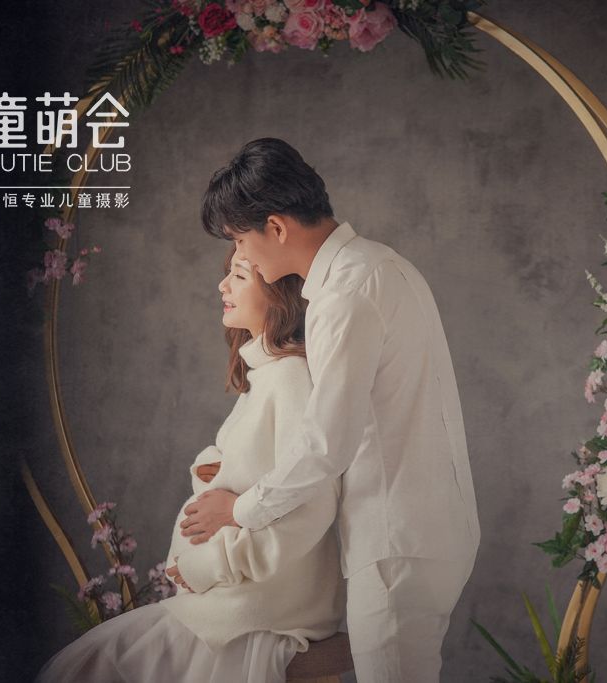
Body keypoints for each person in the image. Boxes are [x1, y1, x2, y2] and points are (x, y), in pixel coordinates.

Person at [181, 137, 481, 682]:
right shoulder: (383, 265)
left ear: (276, 228)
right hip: (429, 533)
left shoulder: (345, 292)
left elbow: (326, 445)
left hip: (394, 541)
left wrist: (239, 509)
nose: (241, 257)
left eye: (241, 240)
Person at [35, 245, 345, 683]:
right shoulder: (265, 376)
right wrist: (214, 469)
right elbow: (259, 473)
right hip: (225, 602)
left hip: (250, 611)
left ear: (279, 296)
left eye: (239, 275)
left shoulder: (290, 377)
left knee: (83, 668)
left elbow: (309, 506)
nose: (222, 285)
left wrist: (209, 564)